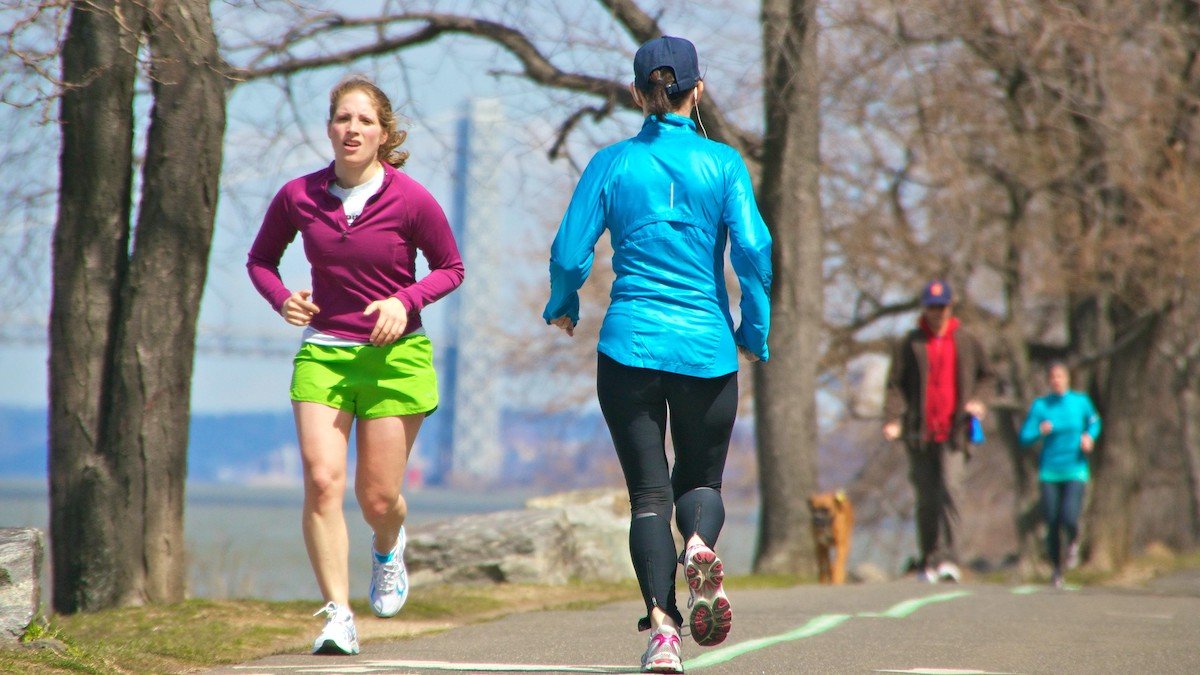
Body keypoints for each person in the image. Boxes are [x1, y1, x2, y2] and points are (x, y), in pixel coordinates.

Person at [544, 35, 771, 674]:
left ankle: (664, 633)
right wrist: (755, 330)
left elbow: (568, 251)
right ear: (695, 91)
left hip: (628, 348)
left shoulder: (612, 163)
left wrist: (564, 302)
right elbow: (754, 252)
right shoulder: (725, 164)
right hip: (705, 347)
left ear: (641, 93)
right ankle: (699, 542)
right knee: (699, 483)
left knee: (648, 495)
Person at [247, 76, 464, 655]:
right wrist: (281, 298)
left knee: (377, 498)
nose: (353, 129)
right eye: (344, 118)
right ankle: (338, 614)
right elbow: (261, 260)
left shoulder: (412, 199)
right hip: (325, 352)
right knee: (321, 482)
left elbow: (450, 268)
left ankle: (388, 547)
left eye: (365, 121)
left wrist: (404, 301)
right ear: (329, 129)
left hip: (396, 358)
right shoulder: (299, 195)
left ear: (383, 133)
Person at [883, 279, 995, 583]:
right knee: (927, 497)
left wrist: (979, 402)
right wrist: (893, 419)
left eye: (941, 306)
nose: (936, 312)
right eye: (931, 307)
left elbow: (987, 376)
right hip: (920, 434)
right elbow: (895, 385)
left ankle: (949, 558)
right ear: (925, 308)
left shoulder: (966, 340)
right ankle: (929, 559)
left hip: (954, 432)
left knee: (951, 490)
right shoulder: (911, 342)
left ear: (951, 305)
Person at [1018, 362, 1101, 588]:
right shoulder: (1041, 406)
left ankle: (1073, 540)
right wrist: (1039, 430)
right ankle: (1057, 569)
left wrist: (1089, 437)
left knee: (1069, 516)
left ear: (1068, 379)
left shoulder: (1080, 402)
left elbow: (1095, 421)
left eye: (1060, 376)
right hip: (1050, 472)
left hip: (1075, 469)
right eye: (1052, 377)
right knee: (1052, 521)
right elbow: (1024, 436)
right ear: (1048, 381)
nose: (1056, 380)